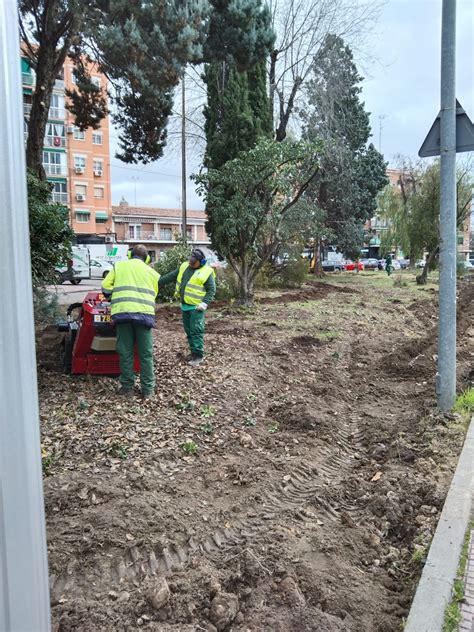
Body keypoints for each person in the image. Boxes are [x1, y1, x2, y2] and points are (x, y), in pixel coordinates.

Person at [101, 244, 160, 399]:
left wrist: (112, 297)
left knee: (125, 352)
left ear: (129, 255)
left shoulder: (119, 266)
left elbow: (105, 286)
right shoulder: (152, 273)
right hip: (144, 316)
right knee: (146, 354)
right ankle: (148, 390)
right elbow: (153, 294)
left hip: (123, 314)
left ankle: (127, 388)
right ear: (147, 258)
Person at [159, 248, 216, 366]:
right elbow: (171, 276)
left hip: (197, 307)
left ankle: (198, 355)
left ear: (202, 262)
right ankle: (193, 352)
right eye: (190, 260)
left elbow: (211, 290)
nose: (191, 263)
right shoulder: (185, 266)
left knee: (196, 331)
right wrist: (157, 281)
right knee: (189, 331)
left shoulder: (207, 272)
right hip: (185, 306)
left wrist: (204, 303)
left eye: (194, 262)